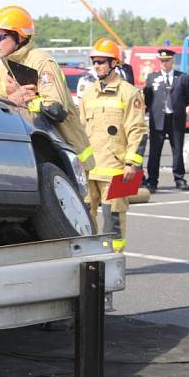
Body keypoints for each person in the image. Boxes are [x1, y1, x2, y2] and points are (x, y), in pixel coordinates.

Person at [0, 5, 94, 170]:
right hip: (29, 153)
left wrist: (28, 101)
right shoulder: (4, 66)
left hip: (64, 157)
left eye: (1, 37)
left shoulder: (41, 62)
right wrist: (11, 100)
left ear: (19, 37)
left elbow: (56, 110)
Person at [79, 38, 148, 253]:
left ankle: (114, 259)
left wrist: (131, 163)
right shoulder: (89, 93)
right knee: (84, 218)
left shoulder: (129, 93)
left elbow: (138, 130)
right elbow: (80, 129)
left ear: (114, 63)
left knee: (113, 218)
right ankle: (90, 259)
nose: (97, 65)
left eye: (101, 61)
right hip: (90, 169)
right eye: (94, 62)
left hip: (116, 170)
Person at [142, 48, 189, 192]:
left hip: (175, 118)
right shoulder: (152, 77)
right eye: (162, 61)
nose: (164, 63)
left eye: (167, 61)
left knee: (177, 150)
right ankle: (152, 181)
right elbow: (148, 98)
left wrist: (178, 108)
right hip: (158, 119)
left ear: (172, 61)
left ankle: (179, 178)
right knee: (154, 152)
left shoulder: (182, 77)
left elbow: (187, 97)